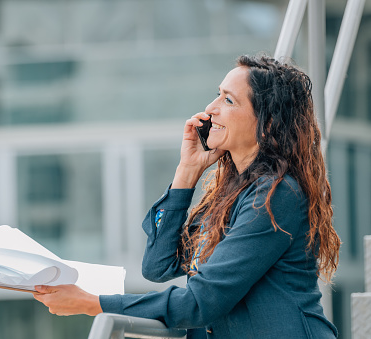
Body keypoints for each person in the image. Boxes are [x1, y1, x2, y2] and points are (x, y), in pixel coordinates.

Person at [32, 54, 341, 338]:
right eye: (217, 94)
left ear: (267, 123)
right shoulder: (231, 193)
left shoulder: (276, 196)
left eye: (229, 100)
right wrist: (187, 172)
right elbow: (158, 266)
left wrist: (92, 303)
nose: (210, 108)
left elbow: (200, 302)